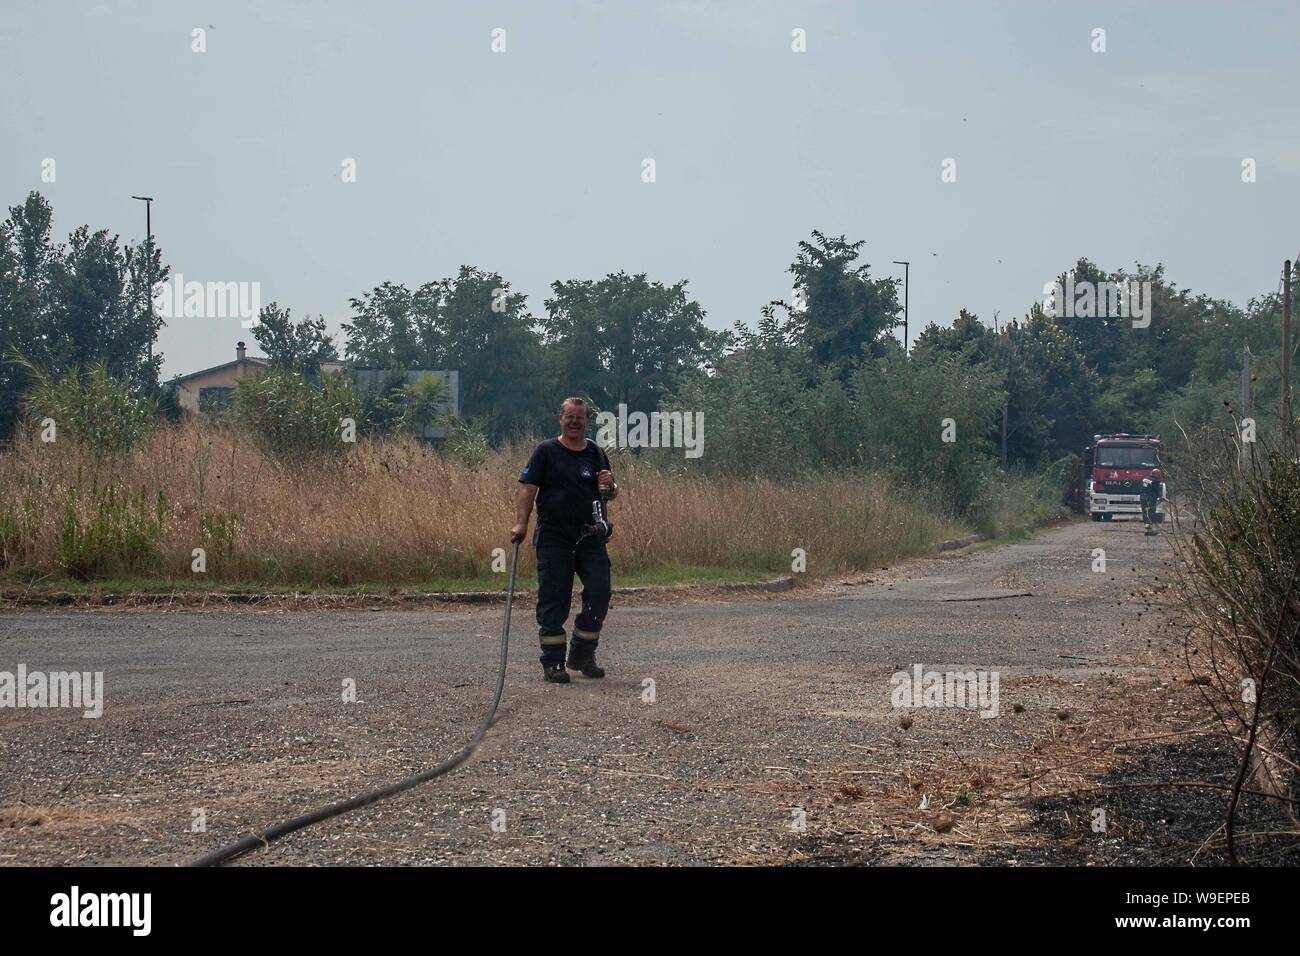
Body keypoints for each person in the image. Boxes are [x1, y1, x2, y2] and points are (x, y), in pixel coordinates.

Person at [511, 398, 619, 683]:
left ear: (587, 421)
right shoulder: (546, 451)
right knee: (554, 600)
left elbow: (608, 492)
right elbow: (527, 488)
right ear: (560, 419)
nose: (574, 422)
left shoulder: (596, 452)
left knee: (600, 593)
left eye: (580, 418)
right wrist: (521, 523)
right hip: (553, 538)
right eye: (569, 417)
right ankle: (554, 663)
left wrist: (612, 485)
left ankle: (583, 654)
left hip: (591, 537)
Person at [1140, 468, 1163, 534]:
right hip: (1150, 499)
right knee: (1150, 515)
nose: (1160, 476)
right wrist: (1161, 498)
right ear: (1156, 474)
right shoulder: (1155, 481)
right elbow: (1158, 492)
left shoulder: (1144, 479)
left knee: (1145, 515)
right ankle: (1149, 531)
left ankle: (1147, 530)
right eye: (1159, 474)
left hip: (1142, 499)